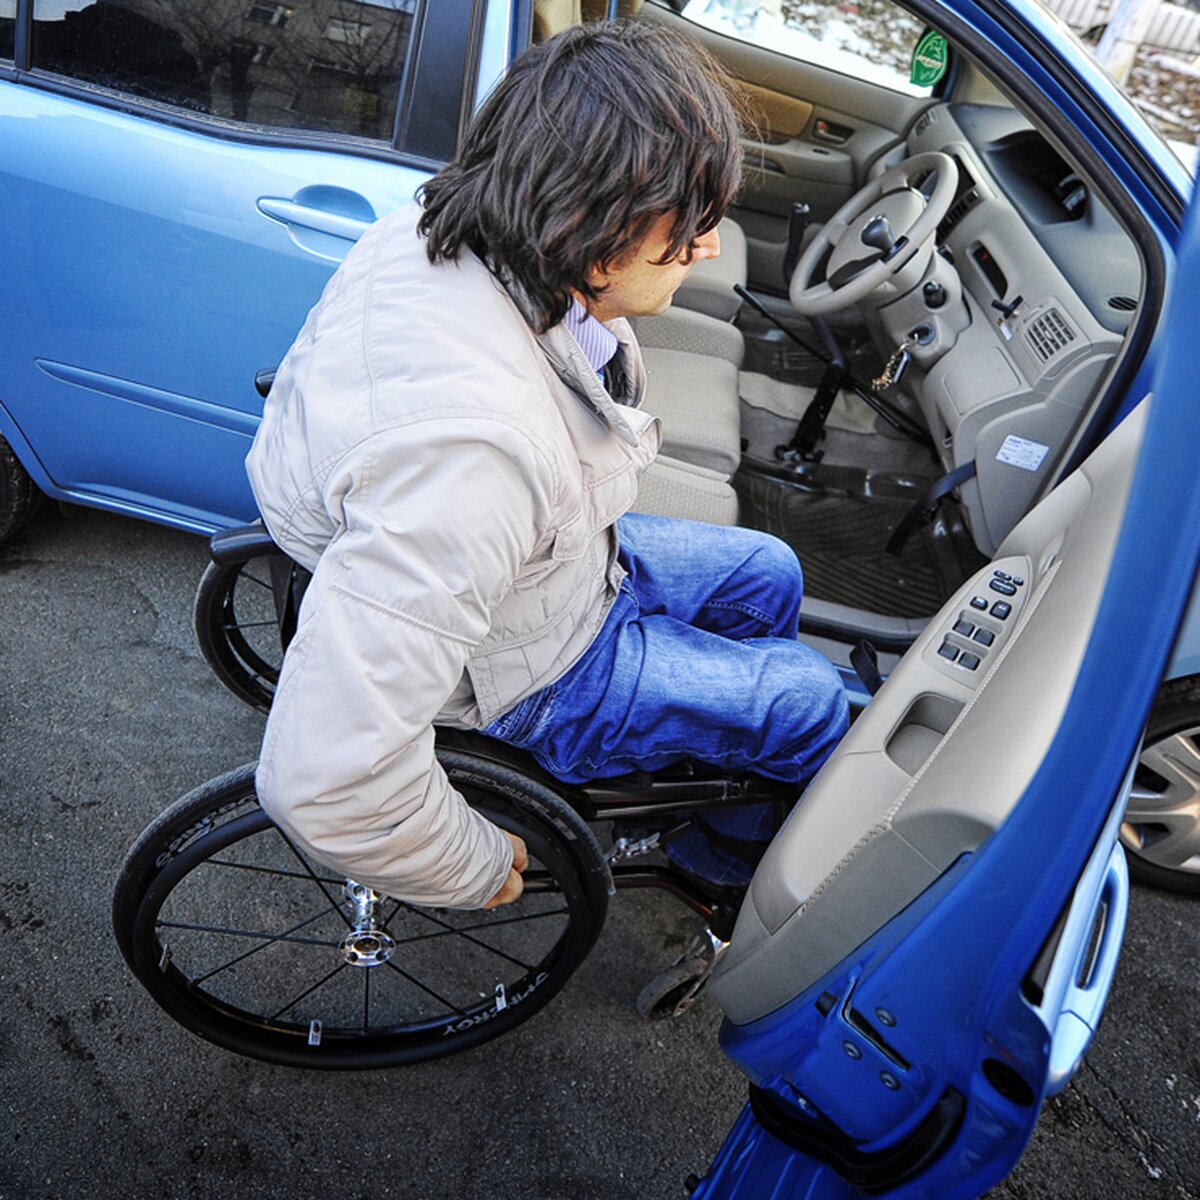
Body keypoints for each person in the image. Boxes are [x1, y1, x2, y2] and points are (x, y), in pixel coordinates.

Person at [245, 22, 849, 913]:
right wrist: (475, 865)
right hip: (534, 667)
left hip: (550, 569)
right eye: (687, 228)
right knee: (807, 704)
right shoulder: (474, 458)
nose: (710, 247)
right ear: (593, 233)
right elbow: (326, 776)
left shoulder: (446, 222)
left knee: (770, 569)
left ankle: (704, 747)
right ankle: (715, 864)